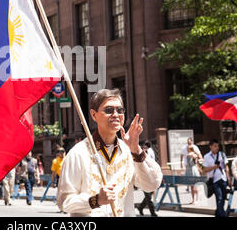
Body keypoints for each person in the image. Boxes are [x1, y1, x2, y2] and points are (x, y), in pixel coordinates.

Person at [57, 88, 163, 216]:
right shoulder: (78, 153)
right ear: (93, 114)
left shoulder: (129, 152)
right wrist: (96, 200)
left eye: (120, 110)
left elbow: (152, 184)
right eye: (109, 110)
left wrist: (136, 149)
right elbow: (64, 202)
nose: (116, 114)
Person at [202, 139, 231, 217]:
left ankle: (218, 213)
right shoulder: (207, 156)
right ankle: (222, 215)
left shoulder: (222, 154)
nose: (217, 147)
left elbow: (226, 167)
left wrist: (229, 178)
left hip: (223, 178)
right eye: (215, 146)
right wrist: (213, 167)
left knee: (223, 198)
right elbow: (204, 170)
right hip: (214, 180)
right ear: (210, 147)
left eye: (218, 146)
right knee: (220, 198)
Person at [137, 143, 158, 216]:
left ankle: (140, 207)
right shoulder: (140, 160)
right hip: (144, 179)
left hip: (151, 178)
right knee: (148, 197)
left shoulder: (150, 159)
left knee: (148, 196)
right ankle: (153, 213)